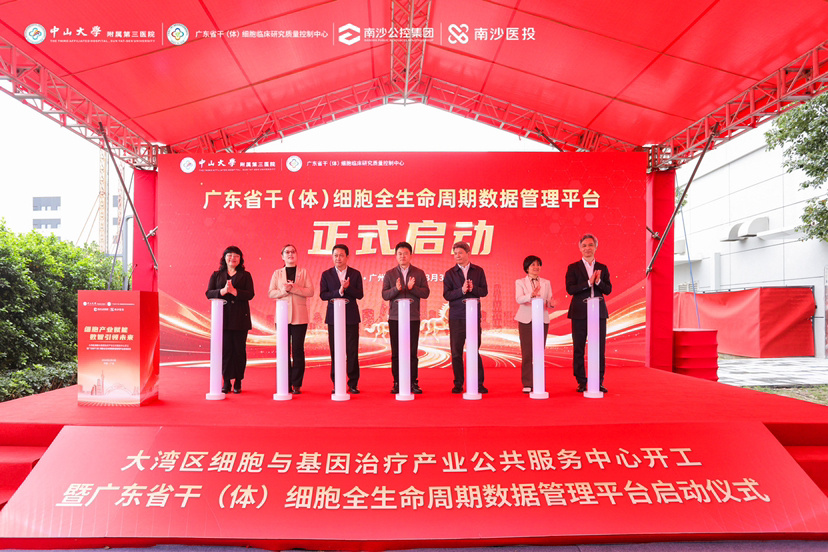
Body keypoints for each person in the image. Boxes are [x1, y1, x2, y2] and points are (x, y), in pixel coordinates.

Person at [381, 241, 430, 394]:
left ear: (411, 255)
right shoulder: (389, 274)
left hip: (412, 318)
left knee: (412, 352)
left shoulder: (419, 273)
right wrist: (396, 289)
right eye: (400, 254)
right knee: (396, 352)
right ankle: (397, 382)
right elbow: (385, 295)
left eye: (405, 253)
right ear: (396, 256)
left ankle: (413, 382)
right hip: (395, 318)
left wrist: (412, 288)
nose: (402, 256)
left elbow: (426, 293)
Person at [565, 234, 612, 393]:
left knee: (599, 348)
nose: (587, 248)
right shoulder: (573, 267)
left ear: (596, 247)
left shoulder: (603, 268)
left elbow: (608, 290)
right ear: (580, 248)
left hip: (598, 313)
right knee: (579, 348)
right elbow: (570, 289)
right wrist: (588, 283)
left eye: (590, 245)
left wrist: (598, 282)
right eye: (584, 245)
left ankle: (598, 381)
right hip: (579, 313)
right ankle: (581, 381)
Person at [205, 245, 255, 394]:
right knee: (225, 351)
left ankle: (238, 381)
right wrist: (223, 291)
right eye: (230, 255)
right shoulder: (216, 275)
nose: (233, 258)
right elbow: (209, 293)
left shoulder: (246, 275)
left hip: (240, 318)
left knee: (239, 350)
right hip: (223, 319)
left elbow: (250, 294)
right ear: (225, 258)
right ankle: (226, 381)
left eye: (236, 256)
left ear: (240, 259)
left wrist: (234, 292)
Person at [268, 244, 314, 395]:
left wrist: (294, 288)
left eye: (293, 252)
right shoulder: (277, 273)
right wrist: (284, 290)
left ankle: (296, 383)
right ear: (282, 256)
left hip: (300, 316)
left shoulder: (303, 272)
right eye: (287, 252)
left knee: (298, 350)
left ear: (297, 255)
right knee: (284, 350)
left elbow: (310, 291)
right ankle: (285, 382)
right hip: (282, 317)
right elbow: (271, 293)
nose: (290, 254)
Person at [443, 241, 488, 394]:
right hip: (457, 317)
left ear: (468, 253)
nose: (457, 256)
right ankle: (458, 383)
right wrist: (461, 291)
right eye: (455, 253)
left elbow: (484, 291)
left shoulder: (478, 271)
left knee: (474, 350)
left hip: (473, 316)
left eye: (460, 253)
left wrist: (473, 288)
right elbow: (446, 295)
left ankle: (478, 384)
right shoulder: (450, 273)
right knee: (456, 352)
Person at [319, 244, 364, 393]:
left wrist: (348, 287)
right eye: (335, 255)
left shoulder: (355, 274)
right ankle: (337, 383)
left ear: (347, 257)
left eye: (341, 255)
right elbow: (323, 295)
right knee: (335, 351)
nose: (338, 258)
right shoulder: (326, 274)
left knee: (352, 351)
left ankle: (353, 383)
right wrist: (339, 291)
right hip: (333, 318)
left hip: (351, 318)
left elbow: (360, 294)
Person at [515, 255, 555, 392]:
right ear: (527, 268)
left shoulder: (546, 282)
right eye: (533, 265)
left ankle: (538, 380)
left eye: (538, 264)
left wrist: (551, 303)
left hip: (542, 319)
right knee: (527, 352)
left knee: (539, 352)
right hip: (526, 319)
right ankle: (527, 383)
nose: (536, 267)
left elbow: (548, 300)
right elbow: (519, 299)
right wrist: (531, 295)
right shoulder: (520, 282)